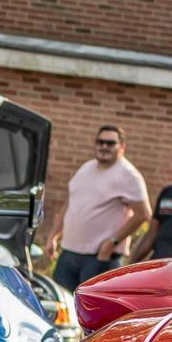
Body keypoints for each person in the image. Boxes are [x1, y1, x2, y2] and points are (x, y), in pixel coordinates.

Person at [42, 124, 151, 292]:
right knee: (63, 311)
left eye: (110, 143)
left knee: (93, 314)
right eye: (100, 142)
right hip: (69, 254)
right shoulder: (86, 168)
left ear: (122, 147)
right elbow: (71, 203)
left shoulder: (129, 176)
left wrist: (111, 243)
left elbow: (143, 214)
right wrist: (53, 236)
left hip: (100, 259)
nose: (104, 147)